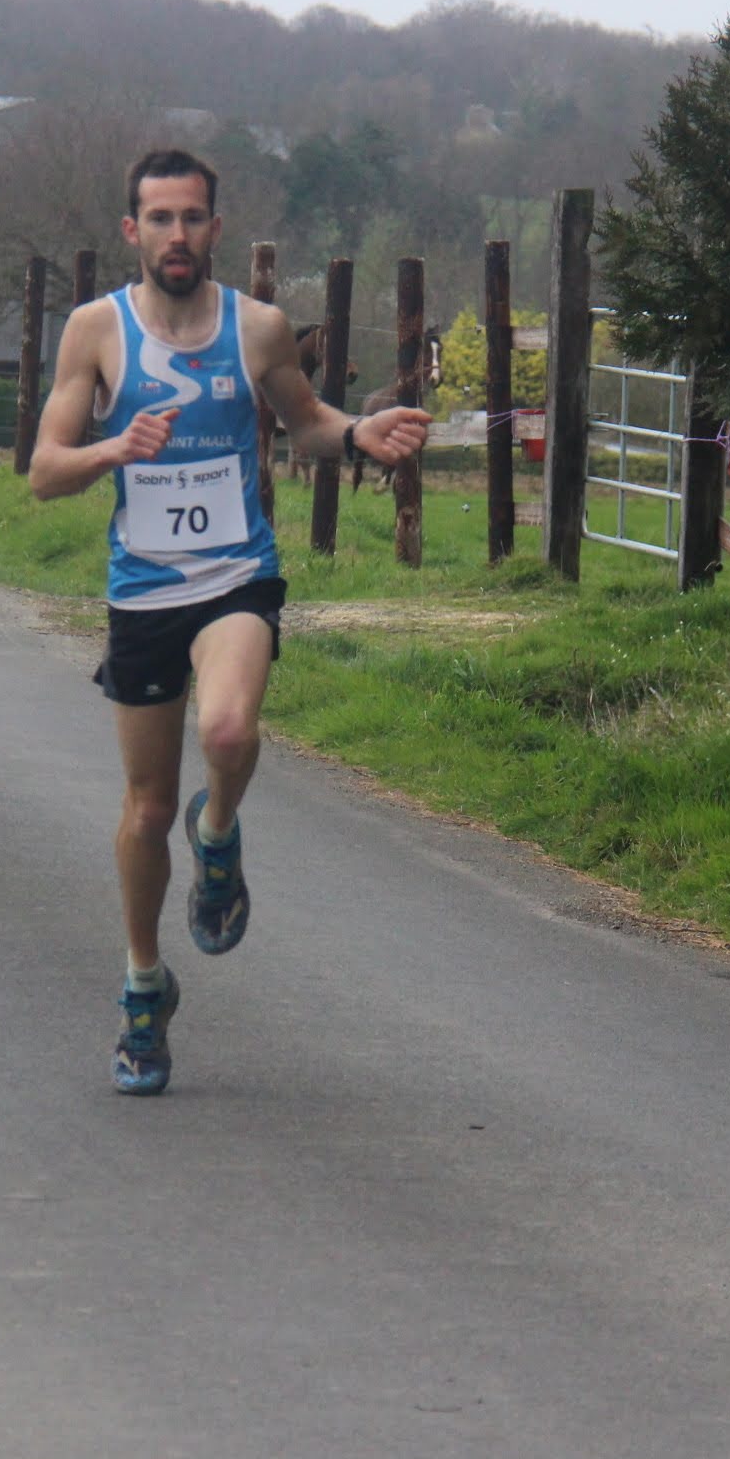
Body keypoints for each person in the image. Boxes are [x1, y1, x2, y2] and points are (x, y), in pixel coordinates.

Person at [28, 148, 428, 1094]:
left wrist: (357, 434)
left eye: (193, 218)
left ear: (215, 227)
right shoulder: (97, 331)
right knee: (145, 809)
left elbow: (305, 421)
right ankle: (144, 986)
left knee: (229, 730)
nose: (178, 235)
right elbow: (45, 471)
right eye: (160, 219)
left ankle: (219, 835)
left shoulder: (258, 328)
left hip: (236, 577)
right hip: (143, 593)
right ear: (132, 230)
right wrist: (113, 450)